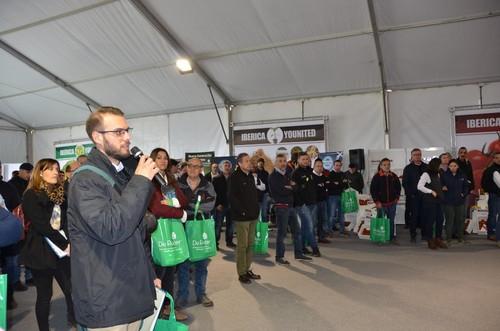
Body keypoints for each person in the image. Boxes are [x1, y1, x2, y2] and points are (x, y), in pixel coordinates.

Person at [68, 106, 160, 330]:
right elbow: (113, 228)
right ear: (97, 137)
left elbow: (136, 228)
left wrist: (150, 274)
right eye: (119, 132)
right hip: (107, 299)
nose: (127, 137)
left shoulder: (120, 174)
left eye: (127, 131)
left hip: (133, 288)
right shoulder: (85, 180)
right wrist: (140, 182)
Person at [20, 158, 75, 331]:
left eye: (56, 169)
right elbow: (41, 224)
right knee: (45, 295)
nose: (54, 172)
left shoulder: (61, 194)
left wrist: (70, 242)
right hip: (41, 251)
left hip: (62, 250)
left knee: (71, 289)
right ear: (40, 172)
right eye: (50, 169)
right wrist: (65, 244)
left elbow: (65, 222)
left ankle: (74, 321)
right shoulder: (31, 195)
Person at [147, 148, 188, 321]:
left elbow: (183, 201)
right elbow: (156, 208)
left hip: (172, 228)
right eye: (159, 158)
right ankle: (153, 311)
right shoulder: (150, 181)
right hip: (157, 230)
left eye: (165, 158)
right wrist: (179, 212)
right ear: (152, 160)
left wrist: (170, 202)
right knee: (158, 272)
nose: (163, 161)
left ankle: (167, 308)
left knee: (171, 270)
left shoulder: (168, 180)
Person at [177, 157, 216, 307]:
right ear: (186, 167)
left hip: (201, 226)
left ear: (201, 169)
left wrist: (188, 204)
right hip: (183, 226)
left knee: (201, 263)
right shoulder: (178, 185)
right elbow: (175, 204)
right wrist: (197, 205)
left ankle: (201, 294)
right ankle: (182, 296)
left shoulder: (208, 185)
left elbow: (210, 205)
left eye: (197, 166)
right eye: (190, 166)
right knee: (184, 264)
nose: (193, 169)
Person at [269, 154, 310, 265]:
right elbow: (278, 192)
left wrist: (290, 187)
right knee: (282, 234)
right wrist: (291, 187)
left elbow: (296, 188)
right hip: (281, 207)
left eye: (284, 161)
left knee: (297, 232)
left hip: (291, 207)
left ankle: (298, 254)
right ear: (275, 163)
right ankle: (279, 257)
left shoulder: (288, 173)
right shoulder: (272, 176)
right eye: (280, 161)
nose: (283, 163)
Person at [229, 153, 261, 284]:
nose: (250, 163)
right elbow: (232, 197)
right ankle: (241, 273)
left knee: (250, 245)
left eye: (250, 161)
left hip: (253, 216)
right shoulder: (234, 177)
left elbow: (253, 196)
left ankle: (247, 269)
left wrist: (256, 210)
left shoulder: (249, 177)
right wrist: (241, 212)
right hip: (242, 218)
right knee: (242, 246)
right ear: (240, 163)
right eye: (246, 161)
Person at [0, 160, 21, 310]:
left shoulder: (8, 187)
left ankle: (8, 297)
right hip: (7, 234)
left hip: (7, 235)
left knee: (10, 267)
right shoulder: (9, 186)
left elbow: (17, 210)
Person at [291, 152, 321, 257]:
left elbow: (312, 187)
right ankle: (315, 249)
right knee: (310, 227)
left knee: (305, 227)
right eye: (303, 159)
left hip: (312, 203)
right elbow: (295, 190)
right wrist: (301, 204)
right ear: (298, 160)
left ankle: (303, 248)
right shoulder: (295, 173)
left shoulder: (310, 171)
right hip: (302, 205)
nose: (306, 161)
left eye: (307, 159)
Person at [417, 158, 448, 250]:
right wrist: (431, 191)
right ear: (435, 165)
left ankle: (438, 239)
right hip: (430, 201)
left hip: (439, 200)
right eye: (440, 165)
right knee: (430, 221)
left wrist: (442, 187)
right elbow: (419, 186)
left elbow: (437, 184)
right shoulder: (426, 174)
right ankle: (430, 240)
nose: (441, 166)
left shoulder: (439, 173)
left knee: (440, 220)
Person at [370, 158, 402, 245]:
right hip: (381, 204)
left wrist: (397, 198)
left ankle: (391, 238)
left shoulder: (394, 176)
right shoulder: (376, 177)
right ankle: (380, 238)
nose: (387, 166)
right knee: (381, 221)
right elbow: (373, 190)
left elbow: (398, 188)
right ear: (380, 166)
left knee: (391, 221)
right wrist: (377, 202)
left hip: (392, 203)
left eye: (388, 164)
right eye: (384, 165)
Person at [441, 159, 469, 245]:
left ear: (458, 166)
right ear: (448, 167)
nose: (453, 168)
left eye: (455, 166)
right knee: (449, 220)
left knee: (460, 220)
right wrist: (443, 187)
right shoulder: (444, 175)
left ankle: (460, 238)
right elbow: (440, 185)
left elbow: (466, 187)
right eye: (451, 166)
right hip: (448, 202)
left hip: (459, 202)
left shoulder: (462, 175)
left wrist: (463, 194)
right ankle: (448, 238)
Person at [402, 148, 428, 242]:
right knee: (414, 216)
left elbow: (430, 182)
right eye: (415, 155)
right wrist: (411, 194)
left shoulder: (426, 167)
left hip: (425, 196)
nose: (417, 156)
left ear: (421, 156)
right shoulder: (408, 168)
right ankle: (413, 235)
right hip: (413, 197)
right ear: (412, 157)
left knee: (425, 216)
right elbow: (405, 183)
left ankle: (424, 235)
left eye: (419, 154)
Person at [212, 160, 235, 248]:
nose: (227, 167)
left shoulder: (234, 179)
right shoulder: (216, 179)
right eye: (225, 165)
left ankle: (229, 241)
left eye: (228, 165)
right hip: (220, 206)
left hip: (231, 206)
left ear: (230, 167)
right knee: (218, 225)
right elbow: (214, 194)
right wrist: (217, 204)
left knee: (231, 225)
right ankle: (215, 243)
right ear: (221, 167)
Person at [482, 151, 500, 246]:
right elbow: (484, 184)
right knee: (493, 214)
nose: (499, 159)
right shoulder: (490, 170)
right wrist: (494, 191)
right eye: (497, 158)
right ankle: (491, 233)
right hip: (494, 195)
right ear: (493, 159)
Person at [311, 158, 330, 243]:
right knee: (314, 221)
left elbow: (325, 188)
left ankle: (321, 237)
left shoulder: (323, 176)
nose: (319, 168)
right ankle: (313, 238)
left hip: (323, 202)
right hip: (314, 203)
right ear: (314, 166)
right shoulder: (311, 177)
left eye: (321, 166)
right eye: (318, 166)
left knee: (322, 220)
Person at [327, 160, 348, 235]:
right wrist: (340, 183)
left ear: (341, 166)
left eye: (339, 165)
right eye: (336, 165)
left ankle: (342, 230)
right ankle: (329, 231)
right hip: (332, 196)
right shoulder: (330, 174)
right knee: (332, 214)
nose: (338, 167)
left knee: (342, 214)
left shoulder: (343, 174)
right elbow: (330, 186)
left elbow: (345, 185)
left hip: (342, 195)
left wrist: (338, 183)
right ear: (334, 165)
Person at [456, 147, 476, 218]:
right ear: (458, 153)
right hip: (457, 189)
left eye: (464, 153)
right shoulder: (455, 163)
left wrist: (472, 187)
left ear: (466, 154)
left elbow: (470, 175)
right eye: (461, 152)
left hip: (466, 189)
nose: (463, 154)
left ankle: (463, 226)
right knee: (458, 209)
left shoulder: (468, 163)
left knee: (465, 208)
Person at [256, 158, 271, 222]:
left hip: (265, 195)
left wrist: (269, 193)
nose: (260, 164)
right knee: (256, 214)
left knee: (264, 213)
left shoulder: (266, 173)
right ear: (257, 164)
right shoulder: (254, 173)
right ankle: (257, 230)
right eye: (259, 162)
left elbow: (268, 184)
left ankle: (264, 230)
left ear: (263, 164)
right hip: (256, 195)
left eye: (262, 163)